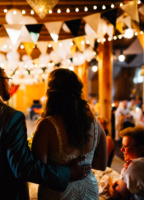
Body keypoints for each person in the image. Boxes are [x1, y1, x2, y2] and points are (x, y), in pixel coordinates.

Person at [0, 65, 91, 200]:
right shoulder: (11, 117)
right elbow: (23, 168)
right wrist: (68, 173)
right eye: (8, 79)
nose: (10, 85)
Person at [32, 68, 107, 200]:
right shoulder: (95, 124)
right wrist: (84, 164)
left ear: (51, 93)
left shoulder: (46, 126)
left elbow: (38, 172)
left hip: (58, 192)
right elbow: (101, 165)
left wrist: (65, 169)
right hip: (89, 189)